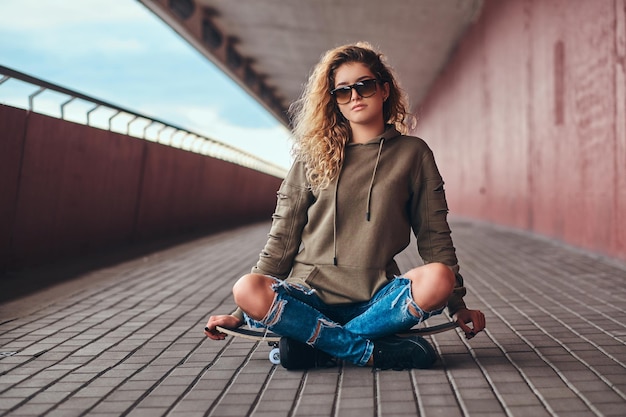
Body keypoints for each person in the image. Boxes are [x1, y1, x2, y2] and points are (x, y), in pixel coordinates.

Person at [205, 41, 485, 370]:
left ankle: (317, 345)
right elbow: (281, 241)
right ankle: (370, 351)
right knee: (246, 288)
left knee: (438, 277)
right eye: (343, 91)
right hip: (307, 299)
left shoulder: (413, 154)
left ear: (383, 89)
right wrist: (239, 313)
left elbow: (434, 236)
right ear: (334, 100)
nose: (355, 97)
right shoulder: (313, 156)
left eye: (364, 86)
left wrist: (458, 305)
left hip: (377, 302)